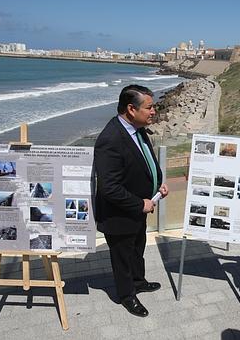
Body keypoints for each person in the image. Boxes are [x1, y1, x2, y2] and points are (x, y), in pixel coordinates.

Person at [93, 85, 169, 317]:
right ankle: (127, 295)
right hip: (120, 214)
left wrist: (157, 185)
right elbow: (109, 188)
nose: (153, 111)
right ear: (131, 109)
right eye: (149, 107)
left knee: (137, 250)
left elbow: (141, 162)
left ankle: (138, 281)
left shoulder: (137, 128)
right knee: (123, 257)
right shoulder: (110, 139)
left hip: (138, 211)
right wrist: (140, 204)